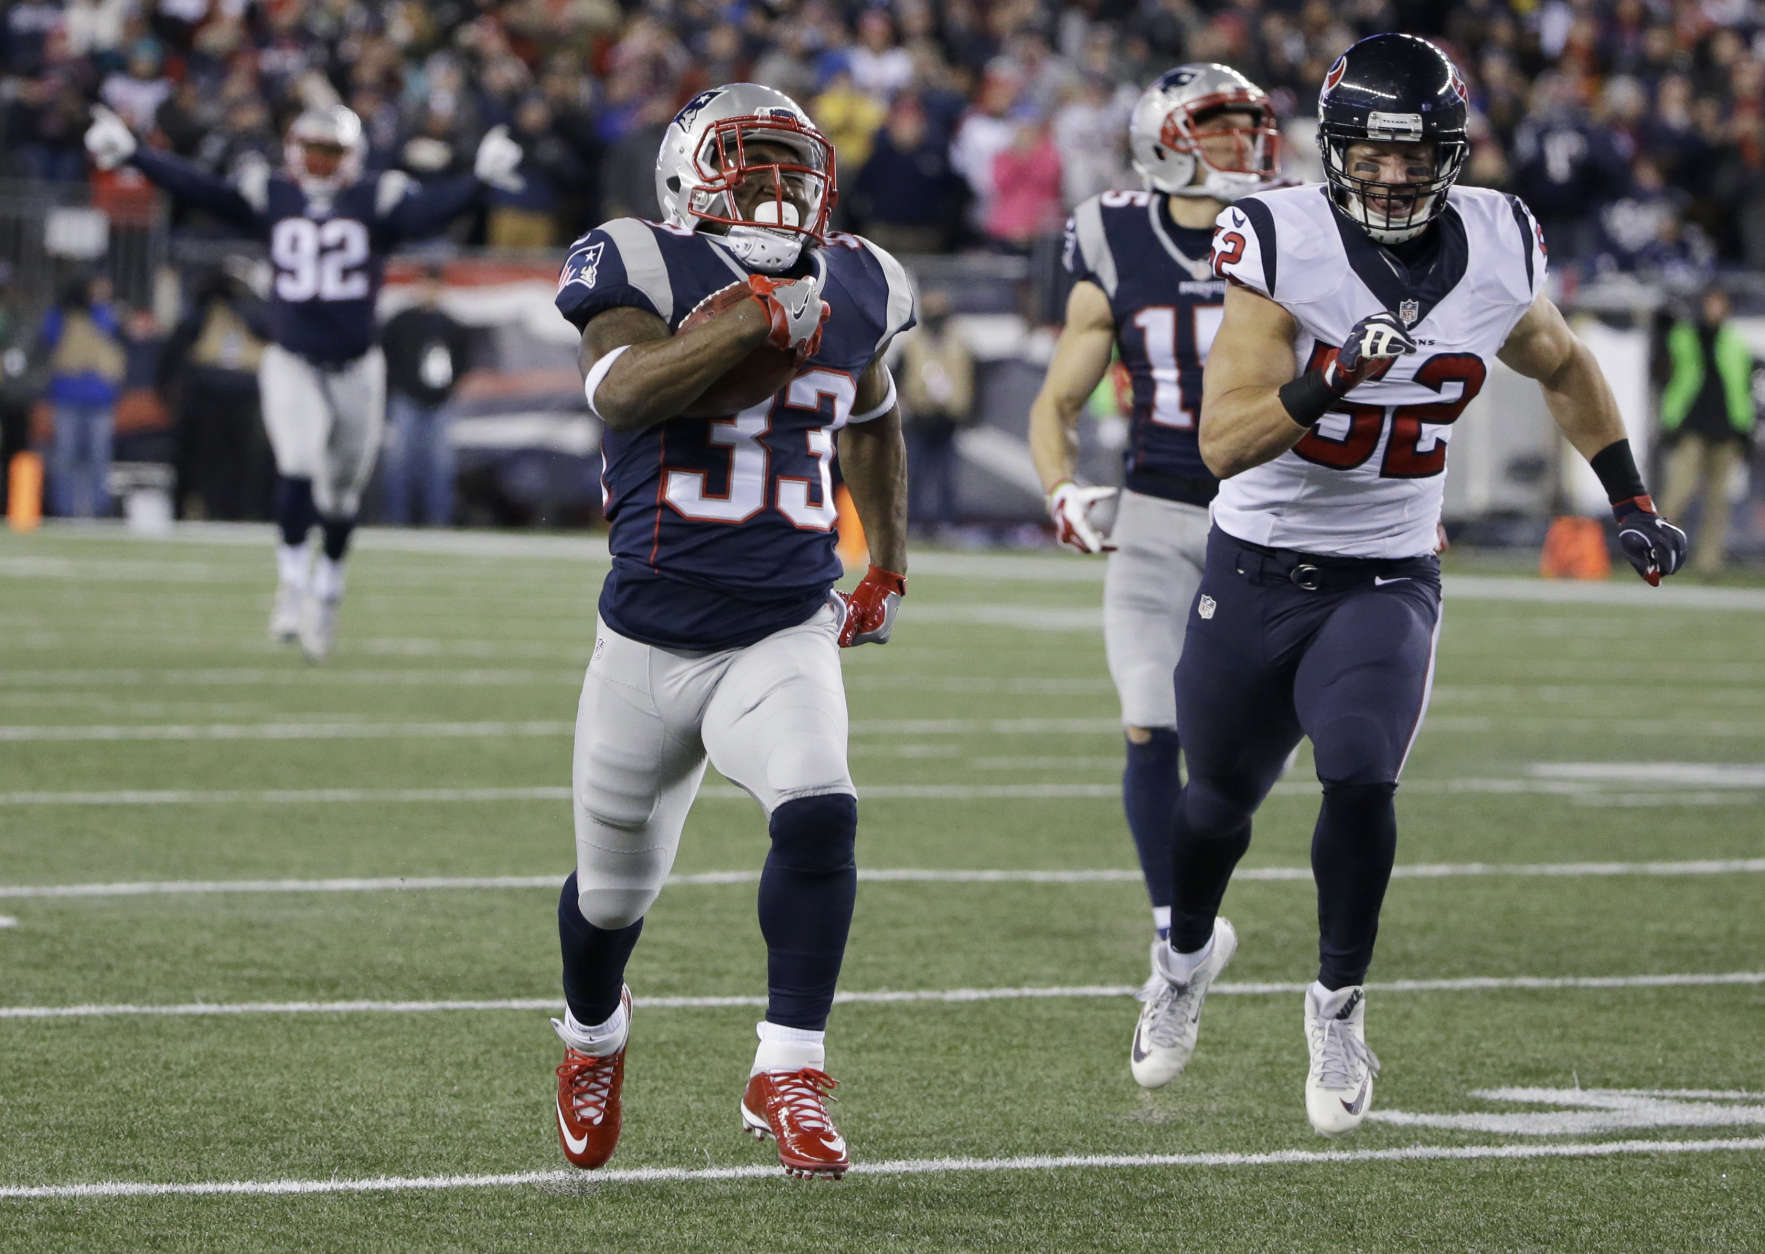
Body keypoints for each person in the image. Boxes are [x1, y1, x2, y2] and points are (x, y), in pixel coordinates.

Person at [1179, 34, 1687, 1137]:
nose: (1395, 176)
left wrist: (1630, 500)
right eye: (1371, 153)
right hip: (1258, 560)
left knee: (1361, 777)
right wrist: (1328, 379)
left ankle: (1338, 1008)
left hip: (1391, 566)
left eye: (1417, 157)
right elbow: (1221, 443)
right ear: (1333, 148)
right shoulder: (1280, 239)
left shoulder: (1501, 237)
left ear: (1453, 154)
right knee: (1214, 806)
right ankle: (1178, 963)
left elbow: (1561, 363)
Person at [547, 83, 913, 1180]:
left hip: (779, 627)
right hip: (648, 639)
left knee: (820, 809)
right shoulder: (640, 260)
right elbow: (618, 392)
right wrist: (750, 317)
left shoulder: (861, 277)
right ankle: (591, 1038)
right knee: (611, 897)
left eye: (794, 170)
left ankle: (786, 1064)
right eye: (749, 167)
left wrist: (886, 558)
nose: (777, 190)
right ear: (687, 176)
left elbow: (875, 413)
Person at [1026, 63, 1281, 1089]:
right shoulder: (1115, 234)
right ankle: (1179, 936)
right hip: (1155, 509)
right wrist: (1059, 491)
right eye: (1220, 132)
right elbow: (1056, 400)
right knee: (1146, 721)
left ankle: (1190, 919)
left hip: (1264, 515)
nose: (1244, 149)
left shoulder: (1287, 226)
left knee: (1236, 752)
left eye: (1248, 131)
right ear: (1166, 139)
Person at [84, 102, 523, 658]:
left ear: (351, 156)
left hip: (357, 367)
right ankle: (291, 584)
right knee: (297, 459)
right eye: (310, 150)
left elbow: (427, 214)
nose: (317, 163)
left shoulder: (374, 199)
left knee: (341, 496)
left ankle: (328, 589)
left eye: (329, 152)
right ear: (293, 149)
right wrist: (137, 155)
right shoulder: (274, 195)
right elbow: (203, 191)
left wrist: (479, 182)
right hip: (291, 359)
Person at [1656, 285, 1756, 576]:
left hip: (1726, 427)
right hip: (1691, 424)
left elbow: (1740, 387)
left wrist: (1744, 427)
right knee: (1677, 493)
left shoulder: (1735, 343)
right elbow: (1670, 368)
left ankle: (1709, 563)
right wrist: (1669, 420)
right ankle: (1660, 554)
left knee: (1718, 501)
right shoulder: (1686, 336)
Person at [379, 263, 472, 526]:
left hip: (440, 403)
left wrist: (449, 389)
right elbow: (387, 355)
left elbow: (464, 361)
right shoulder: (401, 321)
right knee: (399, 464)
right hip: (406, 400)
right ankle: (395, 520)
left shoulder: (451, 325)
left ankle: (438, 522)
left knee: (440, 467)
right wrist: (399, 386)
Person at [38, 273, 126, 519]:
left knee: (99, 456)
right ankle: (63, 509)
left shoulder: (103, 313)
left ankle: (99, 509)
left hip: (98, 398)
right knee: (65, 455)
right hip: (67, 396)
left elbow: (114, 334)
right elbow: (50, 339)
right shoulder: (59, 315)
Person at [899, 288, 975, 534]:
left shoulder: (960, 342)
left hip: (948, 418)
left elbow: (972, 378)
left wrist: (968, 410)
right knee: (914, 474)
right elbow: (898, 376)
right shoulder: (912, 343)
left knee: (946, 475)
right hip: (920, 416)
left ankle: (946, 522)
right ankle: (911, 522)